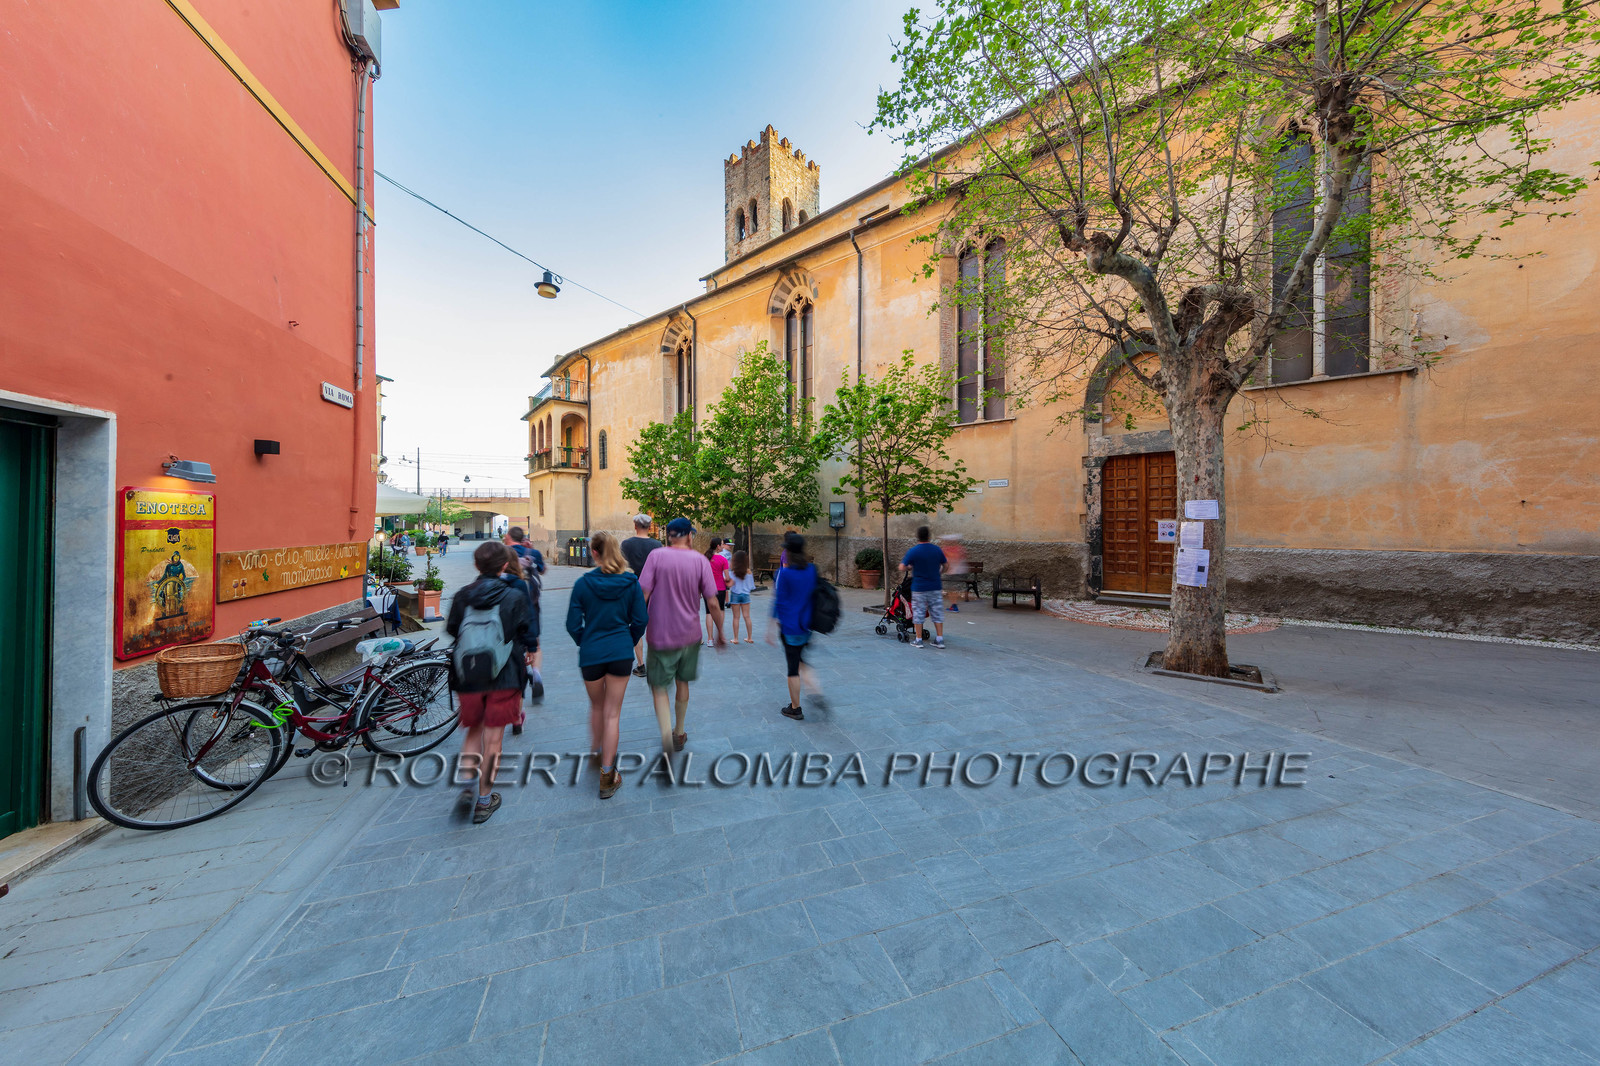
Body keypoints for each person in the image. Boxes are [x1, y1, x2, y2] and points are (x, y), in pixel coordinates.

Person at [446, 542, 536, 824]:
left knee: (473, 731)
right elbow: (527, 632)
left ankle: (467, 784)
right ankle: (484, 801)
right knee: (494, 739)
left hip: (469, 674)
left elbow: (452, 629)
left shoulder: (462, 595)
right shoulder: (513, 595)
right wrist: (529, 650)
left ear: (476, 565)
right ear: (504, 566)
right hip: (504, 675)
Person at [567, 531, 648, 800]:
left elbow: (572, 624)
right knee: (612, 714)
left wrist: (586, 641)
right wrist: (628, 641)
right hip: (620, 653)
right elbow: (641, 619)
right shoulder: (630, 582)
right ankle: (607, 774)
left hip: (591, 654)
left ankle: (596, 750)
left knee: (597, 706)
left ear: (594, 552)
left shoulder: (583, 584)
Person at [638, 517, 726, 754]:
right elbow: (712, 603)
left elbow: (642, 594)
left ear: (669, 536)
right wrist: (720, 632)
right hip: (689, 635)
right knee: (682, 682)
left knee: (659, 687)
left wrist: (635, 626)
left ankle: (666, 735)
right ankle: (679, 731)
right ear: (689, 536)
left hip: (660, 634)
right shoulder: (700, 560)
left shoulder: (656, 557)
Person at [768, 532, 819, 720]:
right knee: (800, 659)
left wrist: (770, 628)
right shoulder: (812, 570)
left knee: (792, 668)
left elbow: (779, 602)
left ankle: (795, 708)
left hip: (790, 627)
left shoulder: (784, 574)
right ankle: (814, 688)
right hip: (807, 625)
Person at [503, 527, 545, 701]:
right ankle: (536, 674)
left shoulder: (502, 553)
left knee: (512, 642)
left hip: (507, 602)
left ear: (508, 537)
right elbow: (542, 570)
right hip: (531, 602)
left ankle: (516, 675)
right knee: (534, 641)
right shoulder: (532, 552)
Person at [620, 514, 663, 678]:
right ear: (650, 527)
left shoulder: (626, 544)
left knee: (635, 626)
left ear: (635, 526)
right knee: (654, 626)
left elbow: (621, 568)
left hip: (632, 590)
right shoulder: (657, 545)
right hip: (654, 591)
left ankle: (641, 664)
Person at [899, 526, 948, 649]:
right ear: (929, 536)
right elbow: (946, 565)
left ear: (918, 537)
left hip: (919, 588)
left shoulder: (913, 551)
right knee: (937, 612)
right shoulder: (937, 550)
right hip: (935, 586)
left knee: (918, 613)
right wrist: (939, 572)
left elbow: (902, 567)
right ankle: (939, 639)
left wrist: (910, 567)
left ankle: (918, 640)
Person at [704, 537, 730, 647]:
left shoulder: (705, 558)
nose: (722, 546)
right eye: (722, 544)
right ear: (718, 546)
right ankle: (720, 635)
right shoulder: (723, 559)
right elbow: (727, 577)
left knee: (709, 613)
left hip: (707, 588)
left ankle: (710, 639)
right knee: (721, 611)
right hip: (720, 588)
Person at [727, 550, 756, 643]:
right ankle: (749, 638)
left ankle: (735, 638)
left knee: (736, 617)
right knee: (747, 616)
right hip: (746, 595)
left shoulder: (732, 573)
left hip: (735, 595)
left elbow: (729, 585)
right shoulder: (749, 573)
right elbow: (752, 586)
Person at [940, 533, 967, 611]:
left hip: (953, 572)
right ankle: (953, 604)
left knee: (952, 589)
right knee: (951, 589)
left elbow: (954, 557)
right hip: (954, 572)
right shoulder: (959, 548)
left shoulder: (953, 549)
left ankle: (954, 605)